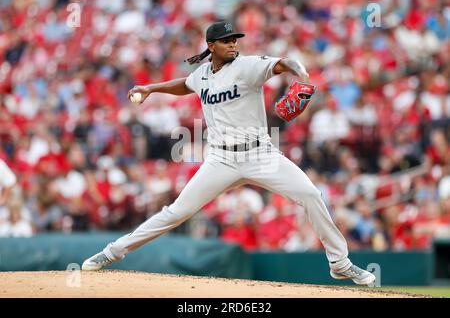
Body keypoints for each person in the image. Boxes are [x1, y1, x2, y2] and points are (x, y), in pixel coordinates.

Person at [82, 21, 376, 286]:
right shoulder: (202, 75)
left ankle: (340, 263)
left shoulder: (247, 66)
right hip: (221, 159)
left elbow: (286, 62)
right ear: (211, 46)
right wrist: (151, 88)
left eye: (235, 39)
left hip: (260, 154)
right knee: (176, 212)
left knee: (311, 195)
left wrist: (302, 75)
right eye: (226, 40)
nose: (233, 43)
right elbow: (185, 85)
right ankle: (112, 253)